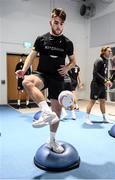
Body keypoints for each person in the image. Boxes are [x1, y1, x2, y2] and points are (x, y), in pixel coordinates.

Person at [15, 8, 76, 153]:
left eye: (61, 23)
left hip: (58, 78)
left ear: (63, 25)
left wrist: (67, 68)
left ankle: (52, 140)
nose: (58, 26)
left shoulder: (68, 43)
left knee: (58, 113)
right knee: (26, 82)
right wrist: (24, 70)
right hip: (42, 73)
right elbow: (32, 55)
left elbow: (73, 61)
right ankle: (45, 111)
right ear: (51, 23)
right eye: (56, 23)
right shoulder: (41, 39)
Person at [85, 46, 114, 125]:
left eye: (111, 51)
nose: (110, 52)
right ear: (104, 52)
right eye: (109, 51)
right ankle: (87, 118)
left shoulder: (105, 61)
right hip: (96, 85)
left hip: (102, 85)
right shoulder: (99, 60)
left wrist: (108, 80)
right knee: (92, 101)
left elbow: (103, 74)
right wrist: (105, 80)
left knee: (102, 101)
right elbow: (95, 73)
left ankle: (104, 118)